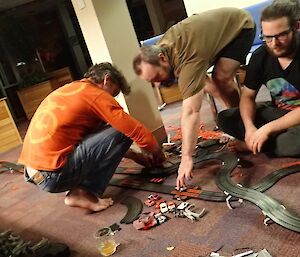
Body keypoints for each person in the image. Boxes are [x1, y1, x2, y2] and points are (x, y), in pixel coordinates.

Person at [132, 7, 255, 189]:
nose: (158, 84)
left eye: (157, 77)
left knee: (221, 78)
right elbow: (198, 81)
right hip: (211, 37)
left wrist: (186, 157)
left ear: (162, 59)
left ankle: (245, 125)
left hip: (240, 27)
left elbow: (191, 112)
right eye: (153, 82)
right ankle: (237, 118)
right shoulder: (164, 48)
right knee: (205, 84)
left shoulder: (186, 57)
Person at [19, 62, 165, 212]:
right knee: (121, 130)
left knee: (111, 130)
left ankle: (80, 187)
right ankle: (86, 191)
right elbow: (135, 130)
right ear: (106, 80)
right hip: (53, 175)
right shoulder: (94, 94)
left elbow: (99, 144)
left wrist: (135, 156)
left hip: (35, 174)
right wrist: (155, 151)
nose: (111, 99)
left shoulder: (73, 90)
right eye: (112, 94)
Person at [217, 3, 300, 157]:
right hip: (279, 114)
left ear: (296, 27)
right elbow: (247, 96)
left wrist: (268, 129)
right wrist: (250, 129)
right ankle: (260, 140)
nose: (274, 44)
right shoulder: (260, 56)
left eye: (280, 36)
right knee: (225, 118)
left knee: (294, 144)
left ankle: (258, 145)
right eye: (267, 37)